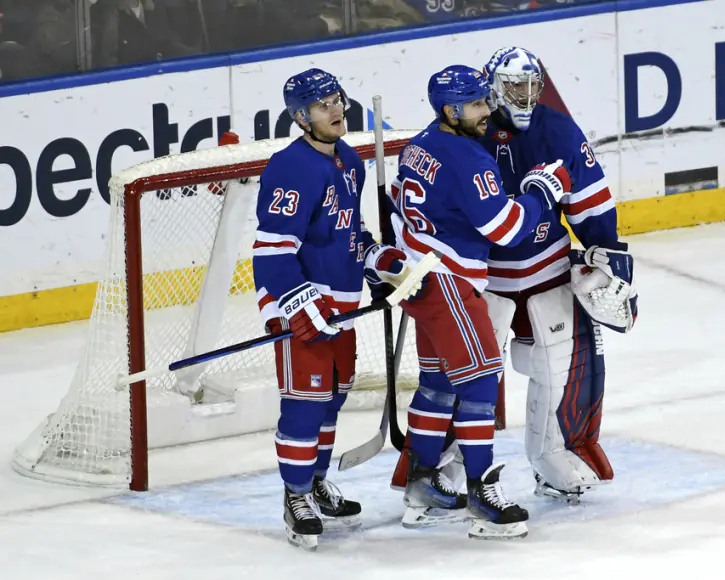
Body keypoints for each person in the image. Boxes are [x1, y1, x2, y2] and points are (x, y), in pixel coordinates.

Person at [374, 64, 573, 539]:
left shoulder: (418, 145)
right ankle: (482, 495)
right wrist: (541, 194)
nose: (489, 111)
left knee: (438, 384)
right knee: (483, 381)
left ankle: (423, 485)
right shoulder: (469, 157)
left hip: (418, 280)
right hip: (450, 282)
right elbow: (504, 229)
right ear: (452, 110)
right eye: (479, 104)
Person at [478, 46, 638, 503]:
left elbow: (590, 199)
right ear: (493, 87)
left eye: (532, 85)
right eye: (514, 86)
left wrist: (606, 258)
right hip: (485, 278)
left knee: (555, 366)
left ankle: (550, 455)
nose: (525, 96)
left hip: (546, 266)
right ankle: (451, 469)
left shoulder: (557, 129)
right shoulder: (472, 130)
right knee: (472, 377)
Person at [254, 68, 383, 551]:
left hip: (341, 308)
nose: (335, 110)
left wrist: (374, 258)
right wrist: (296, 301)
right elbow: (271, 251)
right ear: (300, 117)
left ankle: (317, 481)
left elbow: (350, 231)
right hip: (301, 308)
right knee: (305, 406)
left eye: (336, 99)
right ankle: (295, 494)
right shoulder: (290, 168)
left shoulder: (350, 159)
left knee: (333, 398)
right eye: (321, 104)